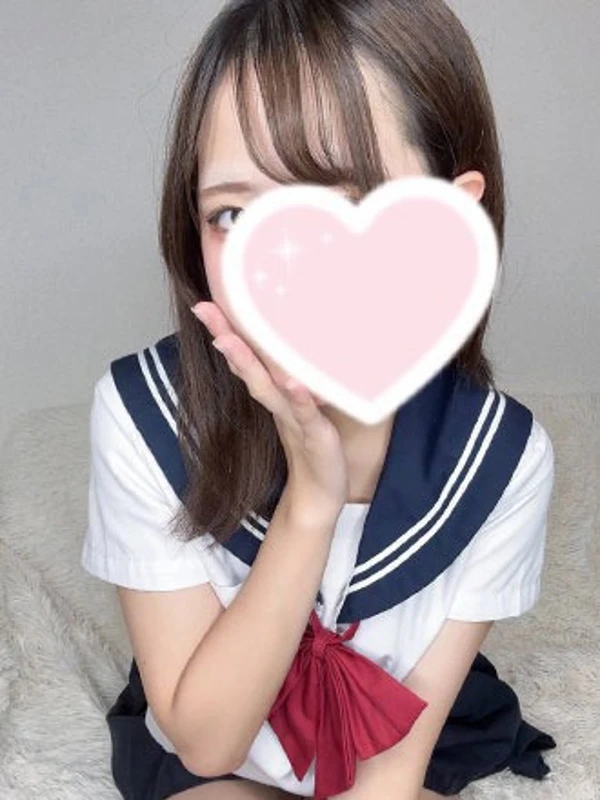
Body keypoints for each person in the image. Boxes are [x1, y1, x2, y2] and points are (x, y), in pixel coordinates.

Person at [81, 1, 558, 799]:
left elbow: (391, 774)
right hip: (215, 723)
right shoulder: (144, 416)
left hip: (398, 733)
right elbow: (205, 742)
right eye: (233, 213)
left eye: (339, 201)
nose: (284, 265)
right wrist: (312, 500)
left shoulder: (502, 461)